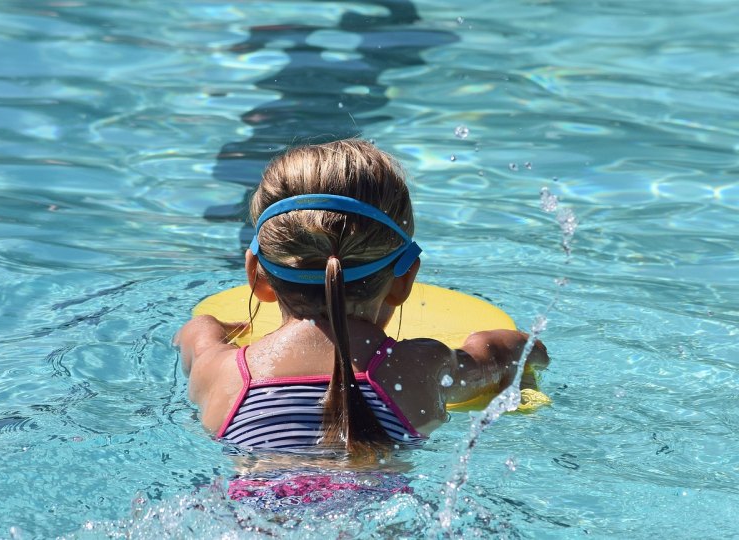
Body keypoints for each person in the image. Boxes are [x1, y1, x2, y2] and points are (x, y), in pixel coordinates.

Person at [175, 139, 548, 506]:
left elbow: (195, 332)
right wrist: (525, 357)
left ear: (256, 276)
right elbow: (513, 350)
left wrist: (215, 327)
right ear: (403, 280)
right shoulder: (417, 367)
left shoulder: (222, 373)